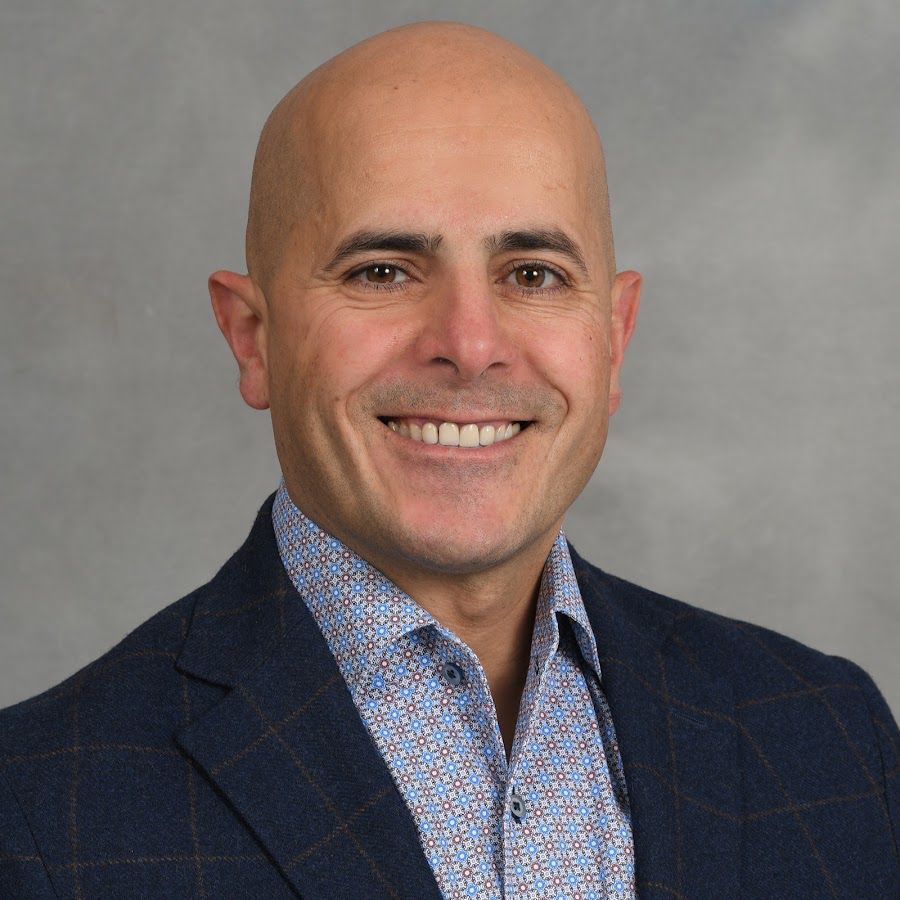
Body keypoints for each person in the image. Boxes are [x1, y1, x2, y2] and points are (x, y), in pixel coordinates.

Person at [1, 20, 896, 899]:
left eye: (533, 273)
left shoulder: (831, 737)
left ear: (614, 337)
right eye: (382, 271)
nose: (470, 346)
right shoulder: (37, 815)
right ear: (253, 337)